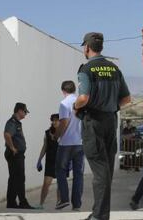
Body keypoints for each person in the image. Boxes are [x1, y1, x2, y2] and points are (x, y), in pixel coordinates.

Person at [74, 32, 131, 220]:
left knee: (99, 171)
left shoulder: (86, 69)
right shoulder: (114, 69)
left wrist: (76, 107)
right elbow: (126, 99)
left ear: (87, 48)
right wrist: (111, 106)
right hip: (110, 121)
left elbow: (83, 98)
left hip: (93, 123)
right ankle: (101, 213)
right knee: (105, 170)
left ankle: (99, 216)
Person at [55, 80, 84, 211]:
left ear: (63, 91)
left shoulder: (64, 103)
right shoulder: (82, 101)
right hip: (80, 143)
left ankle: (64, 199)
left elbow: (64, 122)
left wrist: (56, 136)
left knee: (60, 170)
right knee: (78, 174)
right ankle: (77, 204)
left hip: (66, 143)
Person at [4, 102, 34, 209]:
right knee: (19, 178)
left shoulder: (17, 123)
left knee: (14, 179)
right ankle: (22, 202)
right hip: (15, 155)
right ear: (19, 111)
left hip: (17, 155)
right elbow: (7, 134)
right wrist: (12, 148)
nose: (25, 114)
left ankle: (11, 202)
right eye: (25, 111)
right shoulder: (12, 122)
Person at [36, 113, 61, 208]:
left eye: (56, 120)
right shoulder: (47, 132)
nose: (54, 122)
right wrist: (39, 160)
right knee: (46, 184)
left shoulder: (63, 132)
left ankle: (59, 204)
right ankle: (41, 204)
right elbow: (45, 146)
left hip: (60, 161)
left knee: (60, 184)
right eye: (53, 120)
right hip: (50, 161)